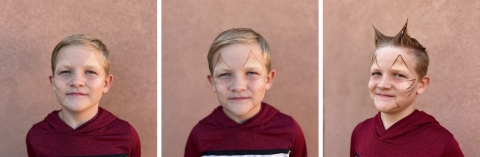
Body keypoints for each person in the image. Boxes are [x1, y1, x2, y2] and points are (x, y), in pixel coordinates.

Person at [184, 28, 307, 157]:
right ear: (213, 83)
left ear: (268, 80)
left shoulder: (290, 130)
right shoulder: (200, 134)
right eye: (225, 74)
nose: (238, 86)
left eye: (251, 73)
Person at [350, 20, 464, 156]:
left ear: (421, 84)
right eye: (377, 73)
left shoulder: (442, 143)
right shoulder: (360, 132)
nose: (382, 84)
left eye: (398, 75)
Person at [26, 34, 141, 157]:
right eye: (65, 72)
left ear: (106, 83)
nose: (76, 82)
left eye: (90, 72)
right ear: (53, 83)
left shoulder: (126, 135)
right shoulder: (37, 136)